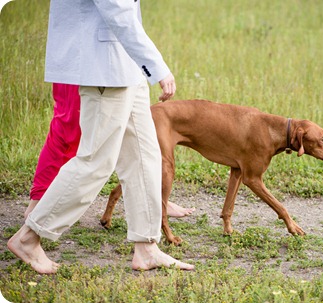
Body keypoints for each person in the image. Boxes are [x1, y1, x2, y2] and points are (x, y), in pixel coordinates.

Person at [8, 0, 194, 273]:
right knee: (96, 161)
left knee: (144, 155)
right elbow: (116, 10)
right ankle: (28, 237)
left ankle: (146, 247)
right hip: (103, 66)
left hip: (126, 65)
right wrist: (157, 66)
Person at [25, 83, 195, 219]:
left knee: (133, 136)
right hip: (84, 62)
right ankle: (37, 205)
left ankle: (156, 201)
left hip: (114, 69)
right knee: (68, 128)